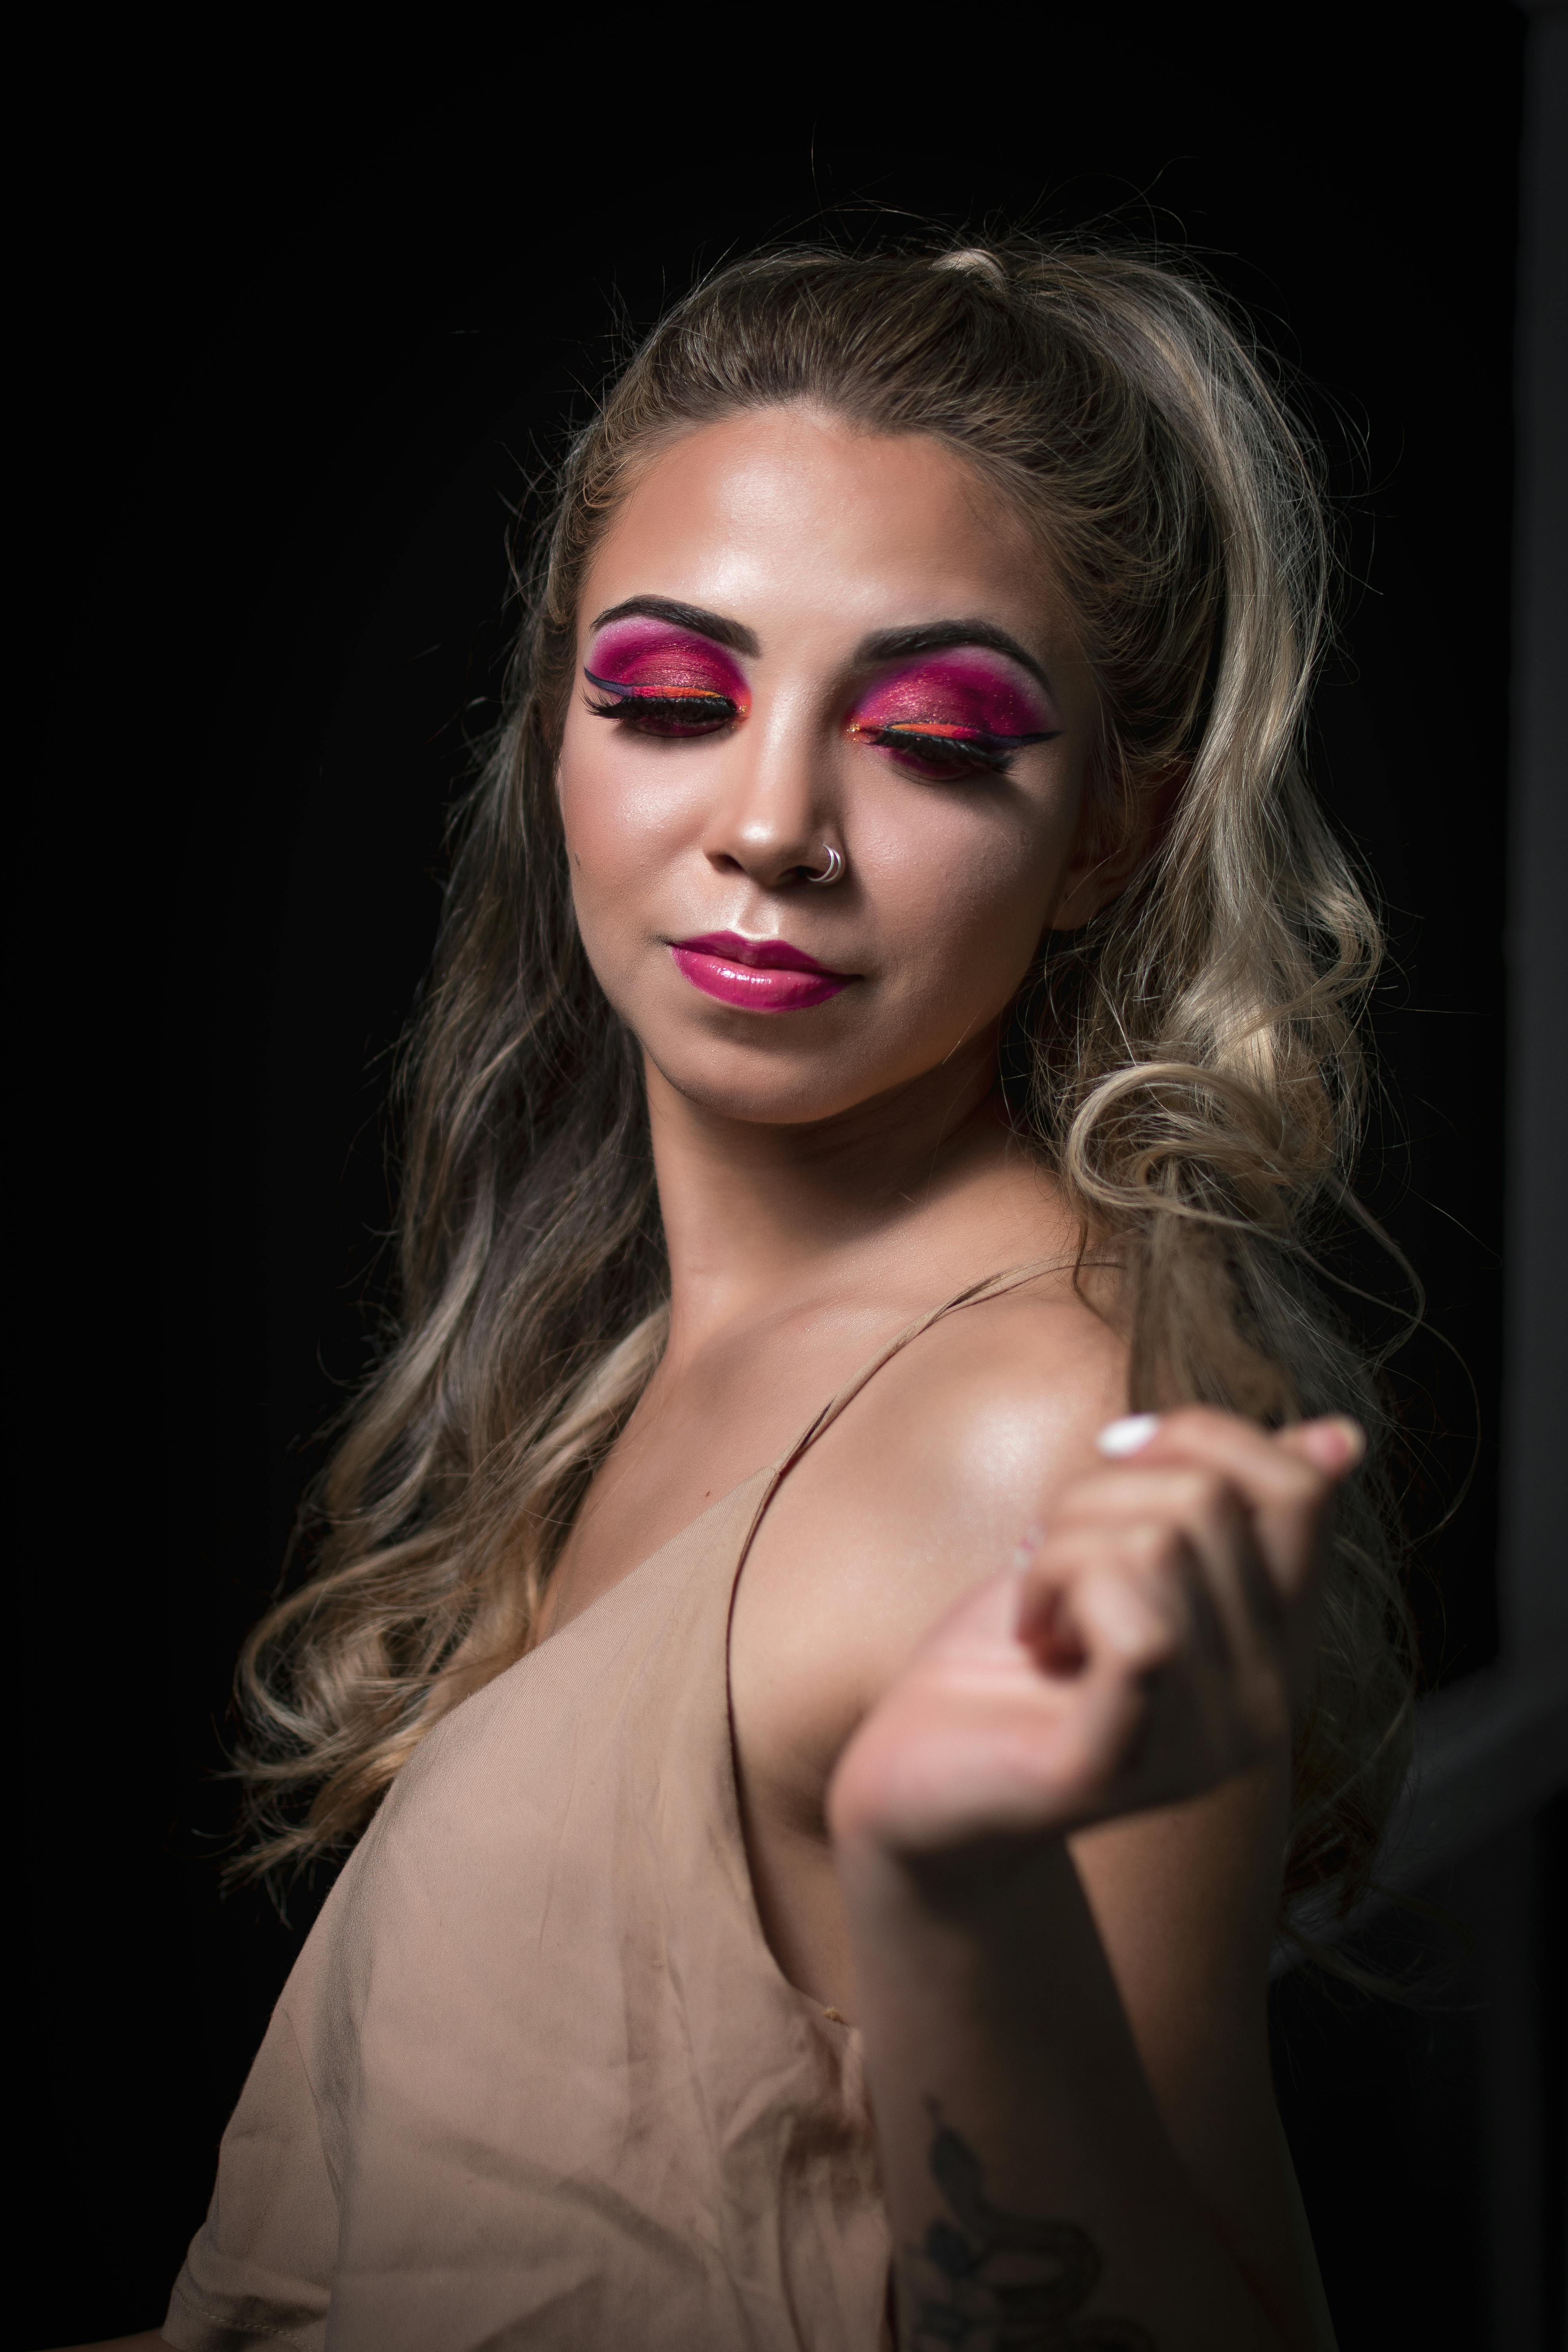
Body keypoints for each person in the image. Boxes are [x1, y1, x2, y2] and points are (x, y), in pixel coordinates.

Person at [74, 235, 1414, 2352]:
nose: (773, 824)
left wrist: (955, 1898)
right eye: (674, 700)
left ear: (1112, 841)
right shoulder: (640, 1350)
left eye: (938, 736)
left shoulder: (1026, 1432)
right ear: (552, 745)